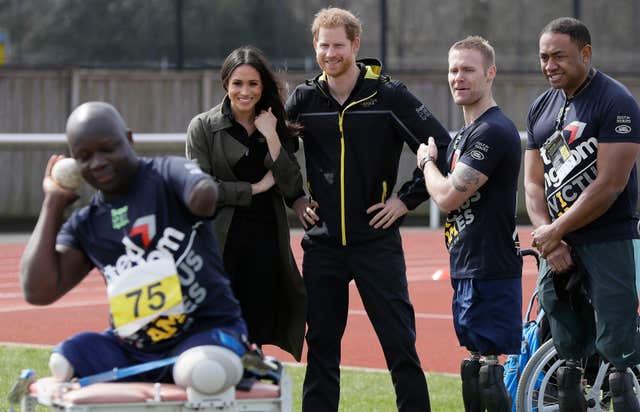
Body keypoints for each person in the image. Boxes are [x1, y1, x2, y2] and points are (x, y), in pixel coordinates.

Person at [286, 7, 451, 412]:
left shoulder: (388, 95)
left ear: (355, 45)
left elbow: (441, 145)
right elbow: (280, 156)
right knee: (321, 349)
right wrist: (297, 200)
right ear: (315, 46)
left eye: (338, 45)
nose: (330, 53)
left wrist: (404, 200)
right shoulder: (304, 99)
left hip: (376, 243)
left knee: (399, 345)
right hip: (322, 245)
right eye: (323, 45)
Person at [20, 101, 248, 384]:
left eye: (107, 149)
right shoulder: (87, 224)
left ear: (129, 139)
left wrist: (200, 194)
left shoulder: (165, 173)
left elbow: (203, 192)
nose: (98, 162)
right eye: (84, 156)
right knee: (64, 360)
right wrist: (53, 203)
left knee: (199, 371)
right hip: (134, 350)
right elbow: (37, 291)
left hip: (205, 333)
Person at [525, 17, 640, 412]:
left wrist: (555, 230)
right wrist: (548, 236)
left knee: (620, 357)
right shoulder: (541, 107)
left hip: (609, 240)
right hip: (558, 244)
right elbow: (533, 185)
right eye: (543, 57)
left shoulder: (616, 102)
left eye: (559, 55)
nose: (549, 64)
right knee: (568, 358)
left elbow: (610, 184)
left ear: (585, 53)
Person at [417, 36, 522, 412]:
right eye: (453, 69)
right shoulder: (465, 134)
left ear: (490, 73)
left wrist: (426, 162)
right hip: (467, 265)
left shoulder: (493, 130)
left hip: (491, 267)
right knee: (474, 365)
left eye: (468, 69)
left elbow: (447, 196)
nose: (458, 77)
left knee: (489, 368)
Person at [185, 46, 307, 362]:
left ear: (263, 86)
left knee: (254, 337)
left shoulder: (273, 124)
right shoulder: (202, 127)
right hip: (220, 244)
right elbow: (200, 189)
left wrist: (272, 137)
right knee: (215, 333)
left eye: (253, 84)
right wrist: (252, 189)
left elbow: (292, 185)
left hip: (266, 243)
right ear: (225, 84)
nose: (245, 91)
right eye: (238, 83)